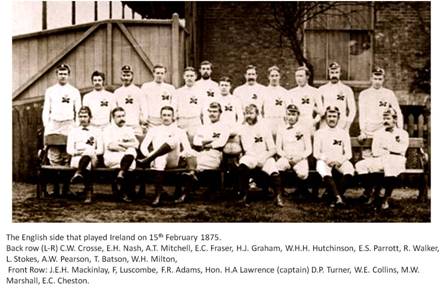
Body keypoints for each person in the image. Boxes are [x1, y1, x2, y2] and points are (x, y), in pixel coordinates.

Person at [138, 106, 197, 206]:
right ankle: (157, 196)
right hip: (157, 161)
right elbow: (143, 147)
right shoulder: (154, 130)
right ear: (160, 116)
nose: (166, 117)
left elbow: (187, 148)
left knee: (172, 141)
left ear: (173, 117)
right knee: (160, 157)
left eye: (169, 115)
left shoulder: (179, 131)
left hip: (173, 160)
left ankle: (147, 160)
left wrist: (182, 155)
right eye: (164, 115)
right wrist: (148, 154)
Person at [355, 108, 409, 209]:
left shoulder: (402, 133)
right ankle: (371, 193)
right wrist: (389, 149)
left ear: (395, 119)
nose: (385, 120)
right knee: (360, 165)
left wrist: (387, 148)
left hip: (397, 159)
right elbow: (375, 151)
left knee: (389, 166)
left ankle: (385, 199)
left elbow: (402, 149)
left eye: (388, 118)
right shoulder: (378, 133)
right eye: (384, 118)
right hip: (381, 158)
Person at [236, 104, 283, 207]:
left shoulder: (264, 128)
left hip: (264, 156)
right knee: (243, 163)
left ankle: (278, 197)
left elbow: (273, 149)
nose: (248, 116)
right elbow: (242, 149)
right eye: (246, 113)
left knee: (272, 167)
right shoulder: (242, 129)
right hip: (250, 157)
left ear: (257, 114)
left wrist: (264, 158)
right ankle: (244, 196)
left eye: (251, 113)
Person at [313, 106, 354, 207]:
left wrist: (340, 161)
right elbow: (316, 153)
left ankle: (332, 197)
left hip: (339, 160)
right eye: (329, 116)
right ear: (325, 117)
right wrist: (326, 159)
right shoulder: (319, 133)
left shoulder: (343, 133)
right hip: (324, 160)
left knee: (349, 170)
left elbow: (348, 154)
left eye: (334, 116)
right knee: (323, 170)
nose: (331, 119)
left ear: (338, 118)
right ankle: (338, 198)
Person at [42, 63, 81, 166]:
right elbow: (46, 109)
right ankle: (55, 175)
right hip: (54, 123)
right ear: (57, 75)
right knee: (53, 150)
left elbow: (78, 110)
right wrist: (47, 124)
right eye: (60, 73)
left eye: (65, 73)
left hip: (68, 123)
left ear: (68, 75)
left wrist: (76, 125)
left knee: (68, 150)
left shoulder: (74, 91)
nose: (63, 76)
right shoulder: (50, 90)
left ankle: (66, 177)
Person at [66, 106, 103, 203]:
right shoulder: (73, 131)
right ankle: (88, 193)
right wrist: (81, 152)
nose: (82, 119)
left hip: (93, 158)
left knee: (89, 152)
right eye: (80, 116)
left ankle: (78, 173)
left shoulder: (97, 131)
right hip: (77, 158)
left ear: (90, 117)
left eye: (85, 116)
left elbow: (100, 150)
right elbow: (69, 150)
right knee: (87, 162)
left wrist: (89, 152)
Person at [193, 102, 230, 198]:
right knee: (187, 156)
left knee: (201, 162)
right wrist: (208, 142)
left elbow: (221, 143)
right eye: (210, 111)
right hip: (201, 152)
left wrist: (206, 143)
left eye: (215, 111)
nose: (212, 114)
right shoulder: (203, 126)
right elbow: (196, 141)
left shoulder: (224, 127)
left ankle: (194, 183)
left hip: (215, 154)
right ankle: (189, 185)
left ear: (220, 113)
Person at [103, 107, 139, 202]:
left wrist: (121, 144)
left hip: (125, 156)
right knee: (130, 160)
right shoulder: (108, 129)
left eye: (123, 116)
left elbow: (136, 144)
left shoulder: (128, 129)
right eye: (118, 116)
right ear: (113, 118)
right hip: (112, 156)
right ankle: (125, 192)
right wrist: (126, 146)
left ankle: (122, 180)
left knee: (131, 152)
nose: (121, 118)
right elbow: (110, 146)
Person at [275, 104, 312, 198]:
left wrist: (300, 157)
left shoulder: (304, 129)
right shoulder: (281, 129)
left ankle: (300, 190)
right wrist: (285, 156)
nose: (291, 117)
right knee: (278, 166)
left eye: (293, 114)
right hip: (286, 157)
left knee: (303, 174)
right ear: (286, 115)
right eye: (289, 114)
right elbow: (278, 148)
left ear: (297, 115)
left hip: (300, 158)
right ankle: (280, 191)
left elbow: (309, 149)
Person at [358, 67, 404, 140]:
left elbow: (398, 112)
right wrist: (362, 131)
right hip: (369, 131)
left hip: (384, 130)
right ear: (371, 79)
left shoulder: (389, 93)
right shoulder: (364, 94)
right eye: (375, 79)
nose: (377, 82)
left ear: (383, 80)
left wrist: (400, 130)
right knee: (368, 151)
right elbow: (362, 114)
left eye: (380, 79)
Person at [318, 62, 356, 131]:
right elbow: (316, 106)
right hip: (325, 123)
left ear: (340, 73)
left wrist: (347, 126)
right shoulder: (322, 89)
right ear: (329, 73)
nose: (334, 75)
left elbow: (352, 110)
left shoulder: (347, 89)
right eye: (332, 72)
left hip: (341, 124)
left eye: (336, 72)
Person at [113, 65, 147, 139]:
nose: (126, 78)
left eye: (128, 75)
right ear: (121, 76)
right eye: (124, 75)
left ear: (132, 76)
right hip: (122, 125)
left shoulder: (138, 91)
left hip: (135, 125)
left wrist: (143, 122)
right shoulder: (117, 92)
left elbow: (144, 108)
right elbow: (114, 110)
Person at [288, 65, 323, 135]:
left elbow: (321, 111)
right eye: (297, 76)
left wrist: (314, 121)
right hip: (296, 122)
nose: (299, 79)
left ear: (307, 77)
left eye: (301, 76)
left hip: (308, 121)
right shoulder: (291, 92)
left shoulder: (315, 91)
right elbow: (288, 111)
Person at [175, 67, 203, 142]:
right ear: (184, 77)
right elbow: (174, 108)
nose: (189, 78)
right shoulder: (178, 92)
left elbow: (204, 109)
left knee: (195, 142)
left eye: (191, 76)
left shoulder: (200, 92)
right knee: (181, 142)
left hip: (195, 120)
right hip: (182, 120)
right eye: (187, 76)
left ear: (195, 77)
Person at [262, 65, 289, 138]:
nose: (274, 78)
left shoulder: (285, 92)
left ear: (279, 76)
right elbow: (259, 109)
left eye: (276, 75)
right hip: (268, 121)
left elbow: (288, 110)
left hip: (281, 121)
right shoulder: (263, 92)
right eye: (272, 76)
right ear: (268, 77)